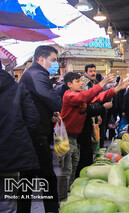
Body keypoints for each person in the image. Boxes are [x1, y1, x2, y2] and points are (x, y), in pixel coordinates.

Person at [59, 72, 128, 201]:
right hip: (64, 137)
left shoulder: (80, 96)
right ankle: (61, 199)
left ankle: (71, 194)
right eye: (77, 81)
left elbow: (98, 97)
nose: (81, 83)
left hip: (73, 137)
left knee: (74, 164)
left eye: (80, 81)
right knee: (66, 168)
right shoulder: (69, 95)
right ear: (69, 84)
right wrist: (102, 83)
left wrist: (114, 90)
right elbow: (86, 96)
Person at [18, 45, 62, 213]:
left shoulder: (33, 73)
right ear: (41, 60)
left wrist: (48, 115)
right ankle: (51, 210)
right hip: (34, 134)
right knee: (47, 177)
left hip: (31, 131)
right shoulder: (37, 74)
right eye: (53, 60)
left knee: (28, 178)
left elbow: (35, 102)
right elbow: (49, 97)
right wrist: (57, 105)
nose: (55, 63)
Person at [0, 66, 39, 213]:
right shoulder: (17, 88)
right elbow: (32, 120)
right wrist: (18, 138)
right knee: (7, 203)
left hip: (11, 151)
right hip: (11, 153)